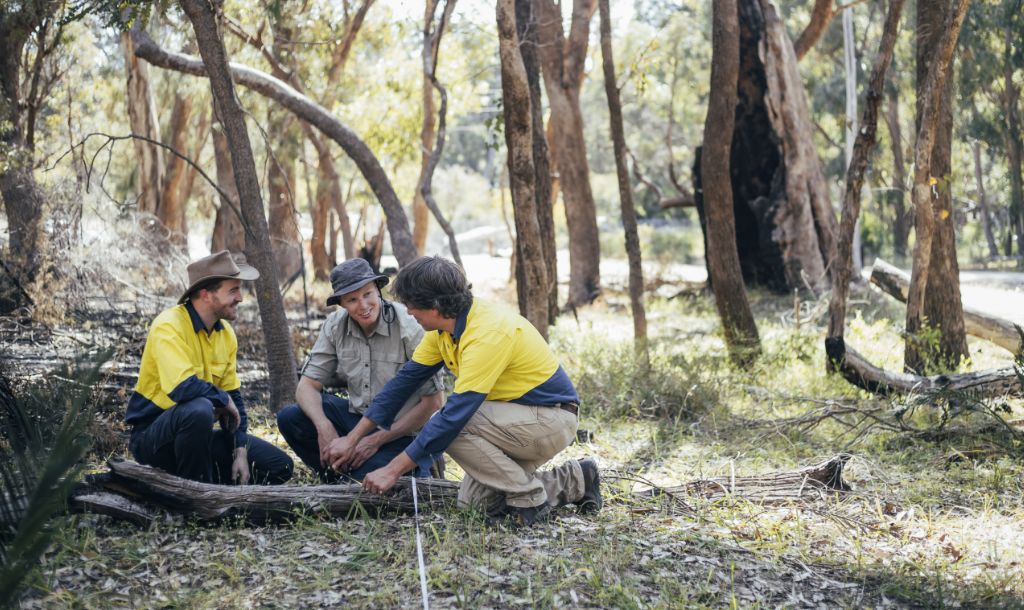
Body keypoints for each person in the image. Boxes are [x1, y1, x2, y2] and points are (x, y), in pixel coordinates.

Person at [336, 256, 602, 527]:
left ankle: (530, 499)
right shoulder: (442, 331)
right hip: (513, 423)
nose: (408, 312)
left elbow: (454, 417)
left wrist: (392, 470)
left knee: (453, 425)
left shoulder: (487, 333)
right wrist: (353, 439)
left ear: (436, 304)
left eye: (412, 305)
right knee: (475, 503)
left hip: (551, 420)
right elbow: (401, 385)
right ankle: (579, 478)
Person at [125, 250, 293, 485]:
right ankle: (193, 499)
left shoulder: (226, 335)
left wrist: (240, 452)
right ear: (205, 294)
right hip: (154, 440)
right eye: (233, 290)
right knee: (199, 408)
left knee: (279, 466)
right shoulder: (168, 325)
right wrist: (222, 399)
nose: (241, 298)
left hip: (195, 440)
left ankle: (209, 485)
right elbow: (182, 388)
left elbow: (235, 399)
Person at [276, 258, 445, 481]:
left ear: (378, 290)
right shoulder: (335, 325)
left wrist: (372, 441)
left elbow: (433, 402)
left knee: (367, 476)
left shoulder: (408, 325)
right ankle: (335, 475)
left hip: (403, 432)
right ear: (342, 304)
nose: (363, 305)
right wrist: (324, 427)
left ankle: (361, 476)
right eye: (352, 300)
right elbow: (307, 386)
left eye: (367, 294)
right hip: (358, 421)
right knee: (291, 417)